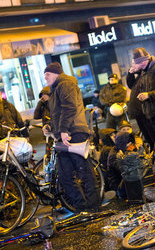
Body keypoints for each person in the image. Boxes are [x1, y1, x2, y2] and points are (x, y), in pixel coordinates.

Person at [42, 62, 99, 212]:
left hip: (74, 132)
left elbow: (69, 107)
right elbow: (58, 114)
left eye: (47, 74)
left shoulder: (65, 84)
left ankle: (93, 206)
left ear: (56, 73)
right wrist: (51, 128)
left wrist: (64, 130)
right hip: (64, 134)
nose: (45, 77)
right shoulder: (55, 90)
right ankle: (81, 207)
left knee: (83, 170)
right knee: (65, 175)